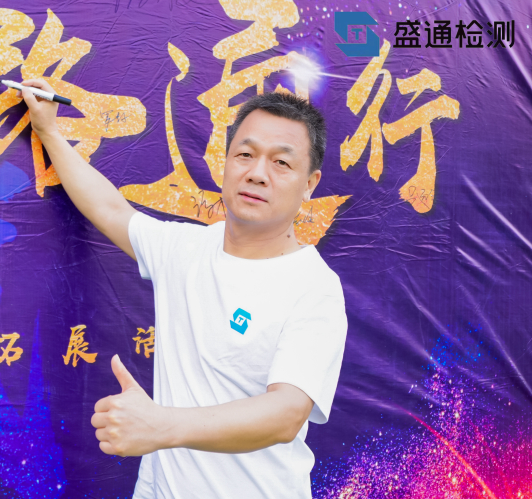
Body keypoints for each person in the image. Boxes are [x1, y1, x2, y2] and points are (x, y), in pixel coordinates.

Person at [18, 80, 348, 499]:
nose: (257, 174)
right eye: (245, 155)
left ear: (310, 184)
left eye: (281, 162)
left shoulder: (314, 286)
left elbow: (285, 413)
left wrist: (160, 426)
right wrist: (48, 131)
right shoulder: (186, 249)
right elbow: (109, 208)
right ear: (225, 163)